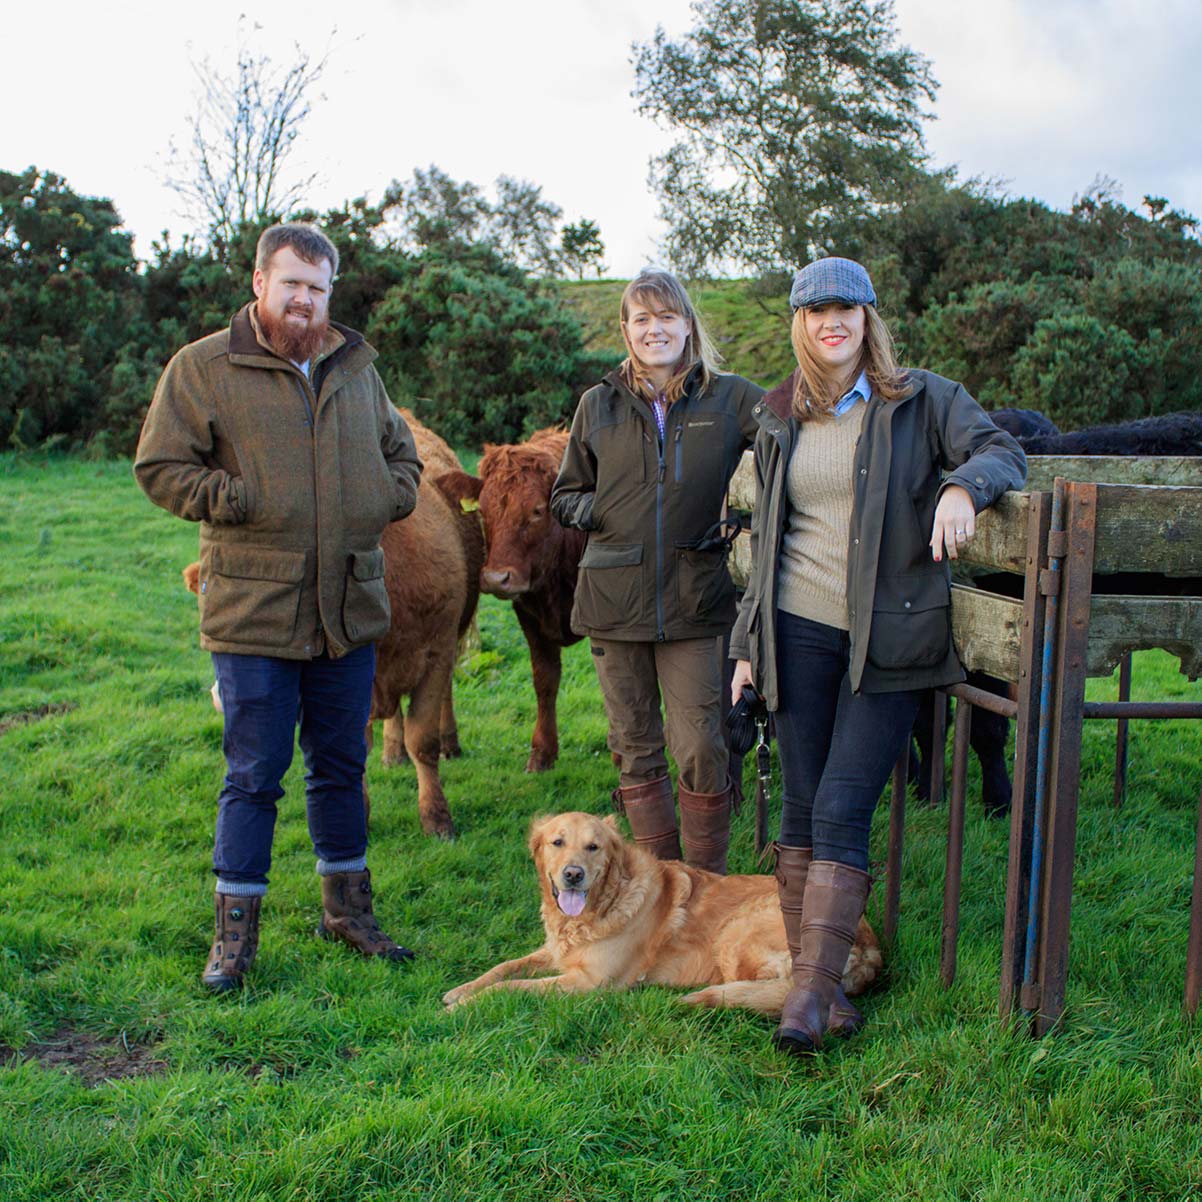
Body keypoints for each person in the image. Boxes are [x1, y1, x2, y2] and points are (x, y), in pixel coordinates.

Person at [729, 257, 1026, 1054]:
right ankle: (820, 993)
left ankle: (808, 1001)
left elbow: (1002, 449)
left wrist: (964, 487)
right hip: (795, 630)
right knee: (799, 808)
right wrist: (747, 646)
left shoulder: (921, 398)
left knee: (841, 806)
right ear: (801, 324)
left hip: (891, 637)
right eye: (818, 311)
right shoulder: (780, 411)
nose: (834, 323)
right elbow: (766, 542)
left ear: (869, 319)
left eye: (847, 310)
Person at [134, 222, 424, 992]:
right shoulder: (202, 368)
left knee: (340, 765)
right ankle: (235, 938)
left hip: (346, 609)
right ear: (259, 283)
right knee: (254, 772)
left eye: (318, 288)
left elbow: (403, 454)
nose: (305, 300)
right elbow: (160, 466)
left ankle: (349, 912)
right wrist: (235, 497)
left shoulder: (356, 366)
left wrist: (386, 495)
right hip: (254, 612)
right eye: (292, 283)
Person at [551, 269, 763, 874]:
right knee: (634, 747)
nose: (655, 330)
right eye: (641, 319)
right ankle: (660, 884)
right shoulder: (598, 405)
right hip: (613, 600)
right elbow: (567, 496)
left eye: (667, 316)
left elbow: (785, 439)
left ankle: (705, 886)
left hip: (696, 599)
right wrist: (615, 508)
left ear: (688, 325)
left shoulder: (730, 398)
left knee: (700, 744)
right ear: (625, 330)